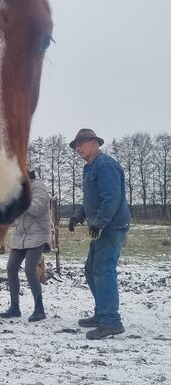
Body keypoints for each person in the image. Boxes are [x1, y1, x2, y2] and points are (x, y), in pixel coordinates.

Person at [68, 128, 130, 339]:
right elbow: (91, 199)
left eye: (81, 144)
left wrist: (100, 222)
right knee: (91, 269)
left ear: (94, 143)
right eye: (76, 145)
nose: (77, 148)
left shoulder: (105, 165)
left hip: (112, 227)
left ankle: (111, 321)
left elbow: (111, 198)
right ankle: (102, 313)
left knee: (103, 270)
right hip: (102, 228)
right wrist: (78, 216)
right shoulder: (90, 168)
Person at [0, 170, 50, 322]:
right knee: (11, 268)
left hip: (38, 233)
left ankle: (39, 309)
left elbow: (36, 209)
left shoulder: (39, 187)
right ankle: (15, 307)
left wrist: (19, 200)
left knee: (30, 269)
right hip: (21, 234)